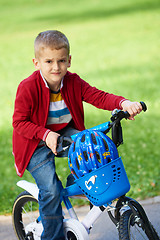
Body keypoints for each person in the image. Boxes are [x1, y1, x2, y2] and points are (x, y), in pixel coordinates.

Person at [12, 30, 142, 240]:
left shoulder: (73, 82)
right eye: (49, 62)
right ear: (36, 63)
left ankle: (78, 180)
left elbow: (98, 96)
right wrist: (45, 134)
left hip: (62, 132)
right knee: (52, 191)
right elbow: (18, 122)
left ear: (69, 60)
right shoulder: (27, 88)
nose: (56, 67)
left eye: (61, 60)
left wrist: (123, 103)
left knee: (94, 148)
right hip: (33, 143)